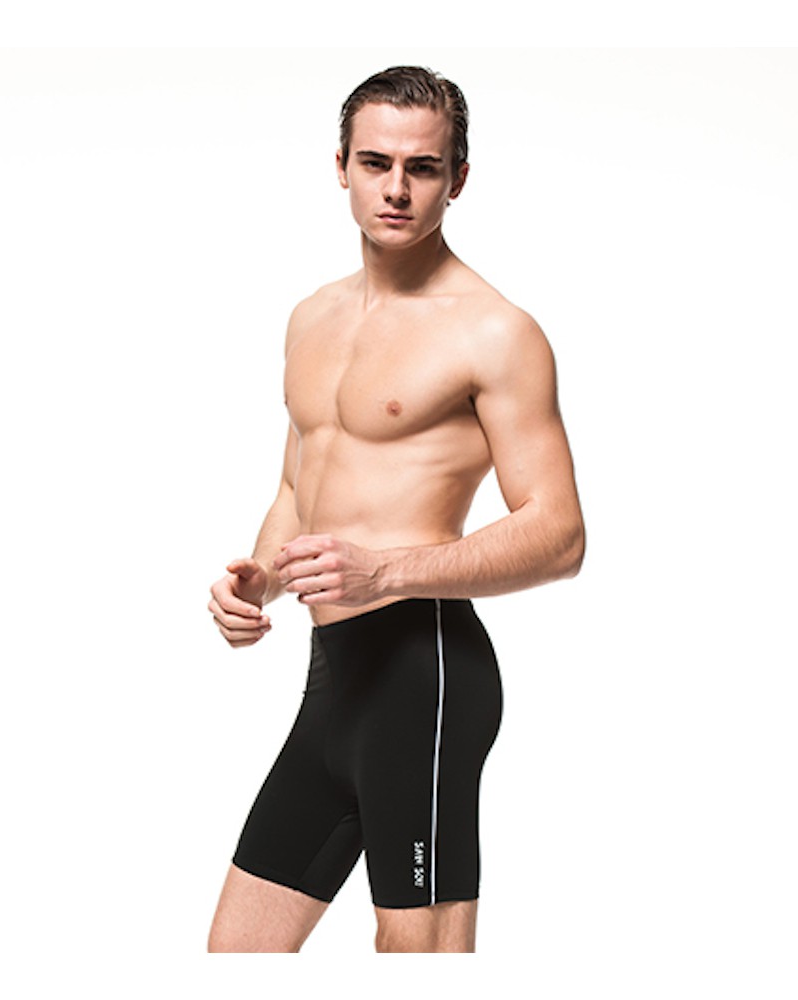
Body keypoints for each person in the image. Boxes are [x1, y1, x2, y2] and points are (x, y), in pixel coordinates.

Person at [206, 66, 584, 953]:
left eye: (423, 167)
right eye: (376, 163)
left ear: (458, 178)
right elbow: (299, 485)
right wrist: (259, 581)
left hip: (425, 673)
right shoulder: (311, 318)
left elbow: (559, 532)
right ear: (341, 166)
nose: (397, 189)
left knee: (420, 959)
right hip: (332, 678)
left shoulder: (496, 332)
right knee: (235, 958)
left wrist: (387, 571)